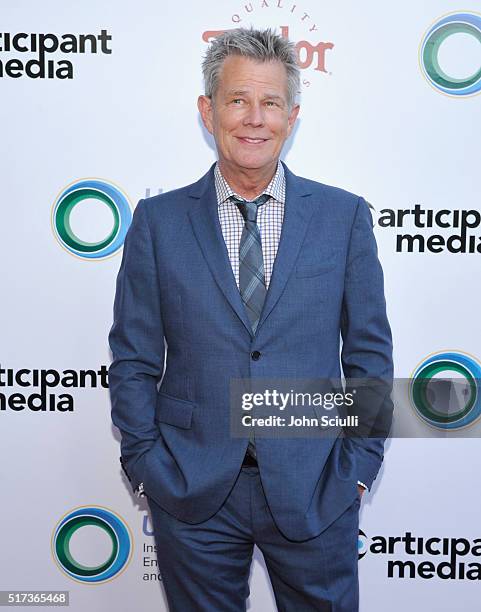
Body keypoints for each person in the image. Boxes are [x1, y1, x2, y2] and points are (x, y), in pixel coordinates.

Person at [108, 27, 393, 612]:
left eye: (270, 103)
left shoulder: (344, 218)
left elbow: (369, 358)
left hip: (316, 486)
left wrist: (357, 471)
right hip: (191, 491)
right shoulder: (157, 222)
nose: (254, 119)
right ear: (208, 110)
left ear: (292, 116)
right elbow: (134, 359)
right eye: (238, 100)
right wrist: (146, 466)